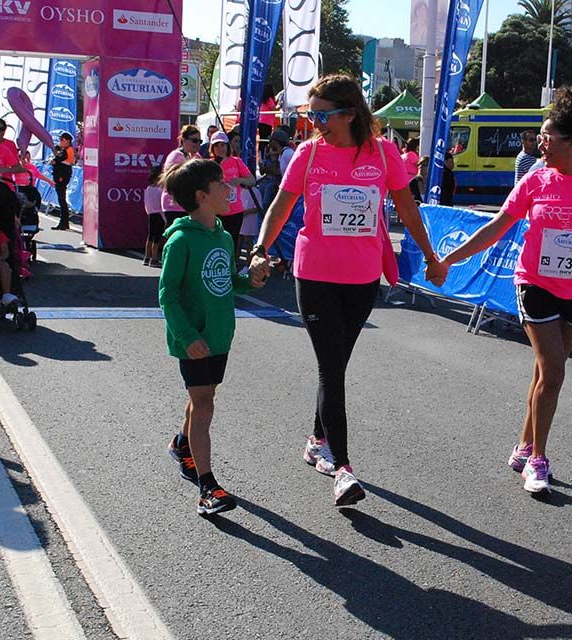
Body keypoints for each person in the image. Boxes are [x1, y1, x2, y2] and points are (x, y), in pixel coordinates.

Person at [250, 74, 447, 506]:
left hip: (361, 277)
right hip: (315, 273)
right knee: (331, 369)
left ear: (351, 113)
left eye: (324, 115)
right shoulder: (308, 152)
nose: (316, 122)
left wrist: (431, 256)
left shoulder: (383, 153)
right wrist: (260, 248)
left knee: (335, 364)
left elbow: (408, 209)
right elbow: (282, 206)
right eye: (311, 114)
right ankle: (343, 468)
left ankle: (317, 439)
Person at [431, 86, 572, 496]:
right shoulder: (535, 180)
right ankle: (538, 461)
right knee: (553, 372)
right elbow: (497, 227)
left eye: (548, 137)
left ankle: (523, 445)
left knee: (543, 374)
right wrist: (451, 258)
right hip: (534, 284)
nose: (540, 143)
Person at [158, 159, 264, 516]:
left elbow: (228, 282)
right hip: (194, 338)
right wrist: (186, 335)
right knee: (204, 405)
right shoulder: (181, 240)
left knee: (204, 396)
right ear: (203, 195)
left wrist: (252, 279)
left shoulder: (221, 234)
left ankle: (180, 443)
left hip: (219, 336)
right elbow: (167, 294)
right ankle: (208, 487)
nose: (229, 187)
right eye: (221, 183)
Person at [208, 131, 255, 245]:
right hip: (216, 211)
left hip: (235, 211)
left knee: (231, 244)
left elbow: (252, 180)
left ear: (227, 146)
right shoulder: (209, 164)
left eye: (222, 145)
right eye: (217, 145)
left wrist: (239, 180)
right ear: (212, 148)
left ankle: (231, 263)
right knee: (216, 244)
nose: (220, 148)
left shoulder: (236, 161)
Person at [161, 125, 203, 227]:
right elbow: (176, 180)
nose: (197, 144)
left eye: (200, 141)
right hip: (174, 205)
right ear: (183, 140)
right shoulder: (176, 156)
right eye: (194, 140)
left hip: (190, 206)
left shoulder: (197, 157)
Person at [50, 132, 75, 230]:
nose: (60, 141)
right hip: (63, 175)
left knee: (62, 199)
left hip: (62, 176)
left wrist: (54, 160)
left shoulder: (66, 151)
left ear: (67, 141)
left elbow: (57, 160)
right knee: (61, 199)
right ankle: (64, 222)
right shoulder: (67, 150)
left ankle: (63, 222)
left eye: (62, 140)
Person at [143, 165, 165, 267]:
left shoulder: (148, 189)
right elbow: (161, 205)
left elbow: (147, 203)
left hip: (150, 214)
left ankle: (147, 257)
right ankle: (154, 259)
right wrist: (164, 218)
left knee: (150, 236)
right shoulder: (160, 190)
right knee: (157, 238)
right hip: (159, 215)